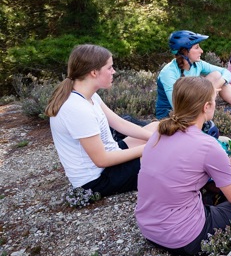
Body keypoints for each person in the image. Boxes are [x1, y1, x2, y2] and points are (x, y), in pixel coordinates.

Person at [136, 76, 231, 256]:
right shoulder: (207, 144)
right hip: (186, 238)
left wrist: (225, 164)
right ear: (206, 107)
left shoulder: (159, 132)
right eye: (214, 101)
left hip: (149, 230)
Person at [46, 44, 159, 198]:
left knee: (156, 127)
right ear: (94, 72)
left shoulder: (89, 95)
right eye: (110, 68)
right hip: (97, 179)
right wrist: (151, 147)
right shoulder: (77, 109)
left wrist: (153, 138)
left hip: (110, 156)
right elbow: (101, 160)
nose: (114, 72)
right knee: (165, 155)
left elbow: (120, 123)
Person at [156, 30, 231, 121]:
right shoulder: (168, 72)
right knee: (216, 77)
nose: (201, 51)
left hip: (192, 105)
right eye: (197, 47)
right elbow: (178, 107)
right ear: (184, 52)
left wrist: (215, 87)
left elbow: (226, 72)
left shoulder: (197, 64)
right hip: (171, 114)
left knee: (217, 75)